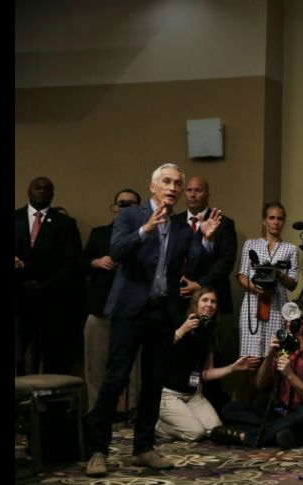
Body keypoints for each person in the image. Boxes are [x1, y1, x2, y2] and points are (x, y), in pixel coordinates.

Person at [84, 163, 223, 478]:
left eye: (177, 183)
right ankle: (97, 450)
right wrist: (145, 229)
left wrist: (205, 240)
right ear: (153, 186)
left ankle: (143, 448)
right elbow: (117, 251)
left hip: (163, 312)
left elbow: (195, 261)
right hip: (130, 311)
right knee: (116, 379)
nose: (173, 188)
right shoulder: (131, 216)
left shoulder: (180, 226)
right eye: (167, 182)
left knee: (153, 382)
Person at [211, 300, 303, 449]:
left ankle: (248, 437)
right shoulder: (284, 349)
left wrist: (290, 375)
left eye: (292, 316)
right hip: (283, 414)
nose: (287, 321)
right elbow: (260, 385)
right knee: (229, 409)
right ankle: (281, 433)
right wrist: (270, 355)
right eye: (287, 317)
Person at [156, 287, 258, 442]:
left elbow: (206, 374)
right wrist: (182, 330)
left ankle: (181, 420)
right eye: (205, 300)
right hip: (168, 393)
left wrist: (234, 367)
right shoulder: (179, 322)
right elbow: (158, 351)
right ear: (195, 303)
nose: (209, 305)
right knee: (195, 433)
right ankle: (154, 424)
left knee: (214, 429)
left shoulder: (208, 333)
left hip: (193, 394)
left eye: (213, 301)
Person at [175, 176, 239, 411]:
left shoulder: (225, 223)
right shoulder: (174, 222)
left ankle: (211, 407)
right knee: (181, 355)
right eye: (189, 190)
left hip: (213, 299)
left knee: (213, 354)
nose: (192, 194)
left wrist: (200, 286)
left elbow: (225, 262)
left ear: (207, 194)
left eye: (198, 190)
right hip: (181, 299)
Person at [15, 176, 83, 375]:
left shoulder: (65, 223)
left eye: (46, 189)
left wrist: (46, 285)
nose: (41, 191)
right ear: (28, 191)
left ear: (52, 194)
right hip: (18, 297)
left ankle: (51, 397)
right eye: (37, 188)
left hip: (52, 299)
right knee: (17, 355)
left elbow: (72, 261)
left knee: (54, 356)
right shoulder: (16, 217)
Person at [82, 188, 142, 410]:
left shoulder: (146, 235)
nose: (124, 206)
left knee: (133, 368)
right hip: (101, 308)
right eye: (121, 203)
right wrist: (96, 262)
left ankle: (131, 412)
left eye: (130, 203)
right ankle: (97, 411)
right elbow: (80, 263)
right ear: (115, 207)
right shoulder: (99, 233)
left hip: (132, 310)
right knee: (96, 366)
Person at [237, 202, 299, 359]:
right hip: (252, 305)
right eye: (271, 218)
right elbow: (242, 275)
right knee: (250, 358)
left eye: (280, 218)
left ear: (284, 221)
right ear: (264, 220)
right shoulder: (251, 244)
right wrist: (256, 289)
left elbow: (293, 284)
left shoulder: (291, 249)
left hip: (277, 305)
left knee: (273, 356)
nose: (276, 222)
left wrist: (278, 273)